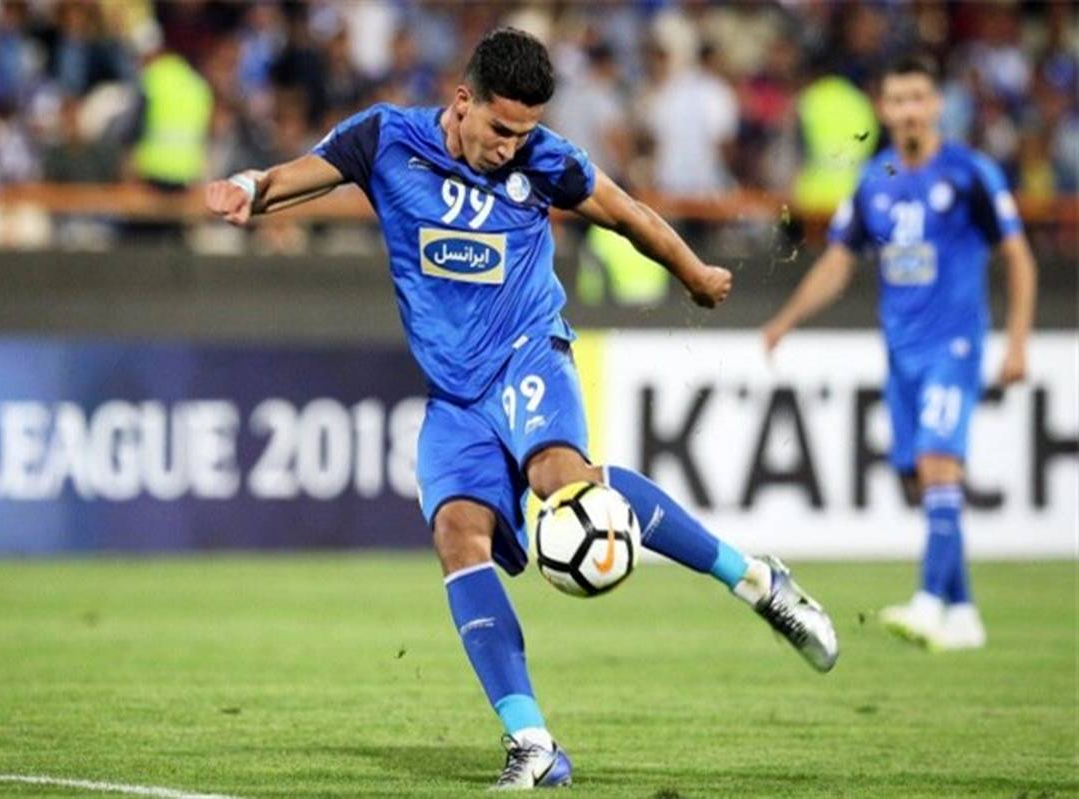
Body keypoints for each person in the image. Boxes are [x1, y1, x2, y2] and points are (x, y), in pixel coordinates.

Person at [207, 28, 837, 790]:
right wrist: (248, 188)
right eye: (501, 128)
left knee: (561, 482)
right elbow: (296, 177)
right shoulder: (385, 139)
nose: (511, 146)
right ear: (462, 101)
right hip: (455, 393)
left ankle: (759, 582)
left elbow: (627, 213)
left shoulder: (546, 159)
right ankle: (534, 743)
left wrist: (695, 272)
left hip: (528, 353)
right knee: (457, 534)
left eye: (525, 131)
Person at [763, 56, 1037, 652]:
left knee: (939, 465)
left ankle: (929, 602)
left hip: (954, 346)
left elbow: (1018, 257)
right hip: (901, 355)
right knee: (918, 479)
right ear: (884, 110)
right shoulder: (874, 181)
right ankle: (963, 613)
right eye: (898, 100)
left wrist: (1017, 343)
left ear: (935, 105)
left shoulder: (970, 173)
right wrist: (786, 320)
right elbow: (839, 261)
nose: (909, 110)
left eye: (918, 98)